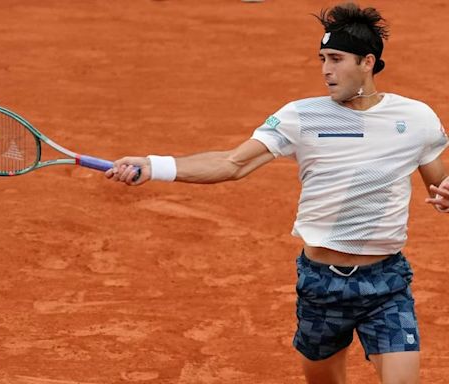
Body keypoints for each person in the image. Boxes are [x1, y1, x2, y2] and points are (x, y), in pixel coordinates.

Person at [105, 3, 449, 383]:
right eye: (321, 59)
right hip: (321, 283)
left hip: (386, 283)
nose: (325, 70)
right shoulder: (300, 116)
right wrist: (156, 166)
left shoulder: (416, 119)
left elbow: (440, 185)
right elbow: (233, 164)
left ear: (367, 62)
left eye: (335, 58)